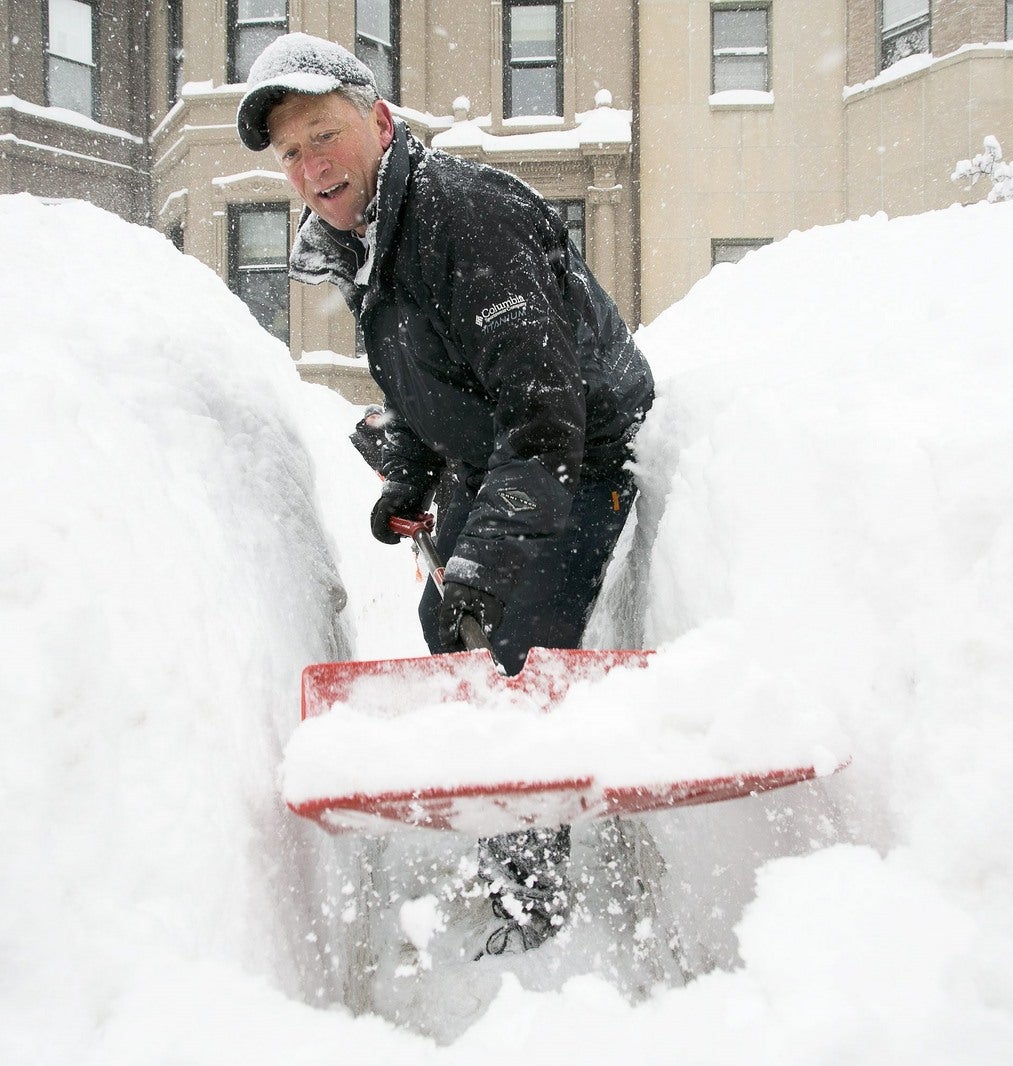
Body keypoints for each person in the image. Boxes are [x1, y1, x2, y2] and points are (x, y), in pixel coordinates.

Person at [237, 33, 654, 957]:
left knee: (510, 655)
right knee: (445, 623)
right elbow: (439, 377)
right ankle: (501, 815)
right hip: (495, 453)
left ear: (380, 122)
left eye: (324, 134)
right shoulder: (373, 236)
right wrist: (412, 474)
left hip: (578, 457)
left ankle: (531, 903)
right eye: (292, 153)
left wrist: (489, 560)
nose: (311, 166)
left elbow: (545, 417)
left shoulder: (467, 220)